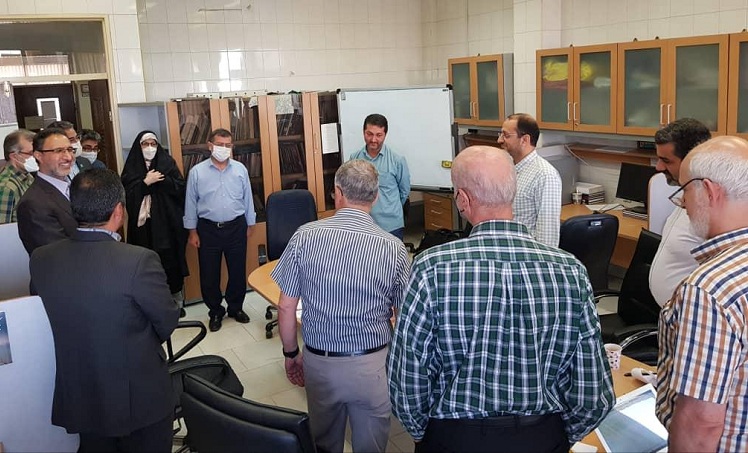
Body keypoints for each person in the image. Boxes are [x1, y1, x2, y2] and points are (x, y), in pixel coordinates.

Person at [388, 145, 614, 452]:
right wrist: (559, 438)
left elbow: (407, 375)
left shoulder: (432, 267)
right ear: (512, 192)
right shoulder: (570, 270)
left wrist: (423, 434)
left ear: (462, 199)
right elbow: (594, 393)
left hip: (455, 438)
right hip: (541, 436)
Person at [29, 168, 179, 453]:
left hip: (81, 395)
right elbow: (167, 321)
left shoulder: (41, 259)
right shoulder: (139, 260)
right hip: (139, 398)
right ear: (119, 211)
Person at [272, 159, 410, 453]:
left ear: (337, 192)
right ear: (375, 197)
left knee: (324, 445)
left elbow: (285, 307)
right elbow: (404, 319)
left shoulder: (304, 236)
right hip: (372, 365)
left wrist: (291, 353)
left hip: (320, 363)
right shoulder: (394, 248)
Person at [655, 135, 748, 452]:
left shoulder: (710, 289)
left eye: (685, 191)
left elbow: (701, 424)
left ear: (709, 191)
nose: (683, 203)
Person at [184, 128, 255, 332]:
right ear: (210, 146)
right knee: (209, 274)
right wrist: (192, 231)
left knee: (237, 271)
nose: (224, 148)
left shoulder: (240, 169)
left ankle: (235, 308)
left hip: (236, 227)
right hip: (208, 229)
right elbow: (190, 202)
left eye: (227, 145)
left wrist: (250, 223)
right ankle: (215, 311)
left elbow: (248, 198)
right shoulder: (197, 172)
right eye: (219, 144)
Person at [122, 130, 189, 318]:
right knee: (145, 265)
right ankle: (149, 304)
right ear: (139, 147)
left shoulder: (167, 163)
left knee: (170, 263)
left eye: (153, 144)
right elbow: (127, 197)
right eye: (146, 144)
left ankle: (175, 303)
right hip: (143, 229)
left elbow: (180, 189)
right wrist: (145, 183)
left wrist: (162, 181)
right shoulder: (132, 168)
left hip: (167, 226)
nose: (150, 148)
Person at [648, 118, 711, 306]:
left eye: (666, 160)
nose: (659, 167)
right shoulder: (685, 194)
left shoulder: (711, 210)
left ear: (693, 161)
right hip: (669, 312)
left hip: (691, 314)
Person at [497, 113, 562, 246]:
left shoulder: (544, 175)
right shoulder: (508, 168)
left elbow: (547, 239)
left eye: (506, 135)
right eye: (500, 134)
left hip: (524, 255)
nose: (499, 140)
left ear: (525, 140)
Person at [348, 113, 410, 239]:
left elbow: (404, 191)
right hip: (363, 225)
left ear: (385, 135)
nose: (373, 139)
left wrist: (389, 207)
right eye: (369, 134)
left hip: (391, 225)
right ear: (363, 132)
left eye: (379, 135)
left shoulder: (397, 160)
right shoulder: (354, 159)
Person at [16, 127, 78, 255]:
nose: (68, 157)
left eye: (70, 150)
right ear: (38, 155)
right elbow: (56, 254)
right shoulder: (33, 204)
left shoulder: (76, 188)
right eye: (58, 151)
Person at [0, 129, 36, 224]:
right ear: (14, 156)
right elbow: (3, 228)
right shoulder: (6, 187)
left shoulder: (28, 176)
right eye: (31, 153)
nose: (36, 157)